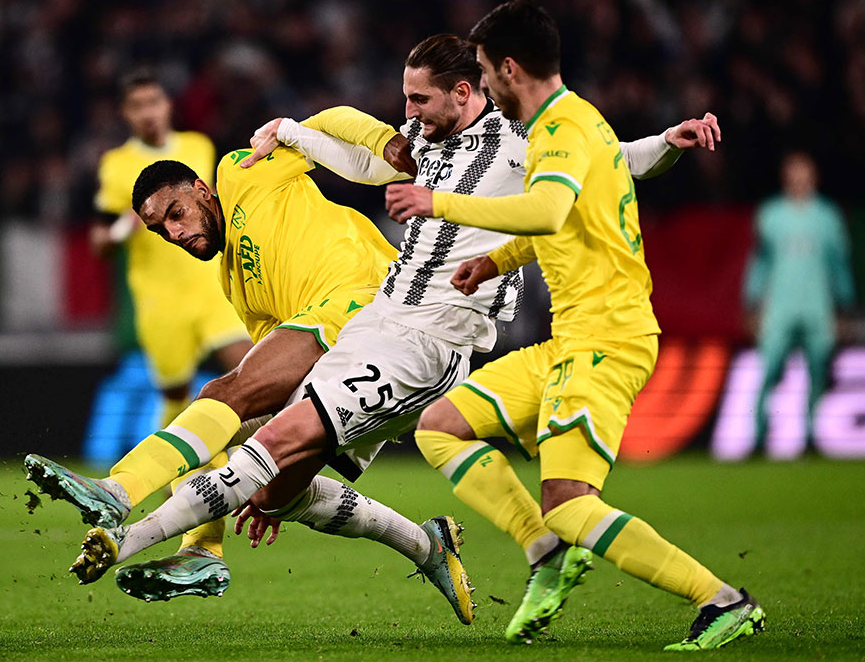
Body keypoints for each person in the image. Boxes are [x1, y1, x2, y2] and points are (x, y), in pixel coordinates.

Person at [64, 32, 714, 629]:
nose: (409, 113)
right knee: (269, 484)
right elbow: (343, 150)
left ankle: (122, 514)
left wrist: (665, 144)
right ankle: (430, 543)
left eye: (417, 98)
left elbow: (610, 164)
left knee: (241, 409)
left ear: (466, 91)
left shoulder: (518, 146)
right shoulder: (418, 153)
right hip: (381, 325)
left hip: (411, 330)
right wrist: (302, 129)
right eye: (404, 101)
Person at [383, 0, 763, 651]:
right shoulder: (573, 123)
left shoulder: (560, 132)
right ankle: (545, 548)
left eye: (484, 70)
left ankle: (723, 599)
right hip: (571, 338)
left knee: (571, 501)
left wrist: (435, 200)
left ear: (507, 68)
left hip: (606, 341)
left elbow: (550, 210)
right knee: (440, 427)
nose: (483, 85)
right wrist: (495, 261)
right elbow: (573, 215)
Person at [28, 136, 475, 621]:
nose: (174, 234)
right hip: (357, 361)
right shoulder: (235, 283)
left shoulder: (242, 171)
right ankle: (424, 544)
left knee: (222, 394)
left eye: (176, 213)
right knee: (267, 490)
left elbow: (323, 131)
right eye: (160, 230)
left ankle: (120, 493)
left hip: (374, 304)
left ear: (202, 190)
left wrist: (389, 146)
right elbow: (275, 373)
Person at [90, 68, 252, 587]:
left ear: (167, 105)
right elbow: (98, 237)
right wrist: (115, 234)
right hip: (158, 304)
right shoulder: (116, 166)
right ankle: (188, 483)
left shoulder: (199, 147)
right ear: (127, 114)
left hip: (211, 292)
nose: (149, 112)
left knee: (248, 374)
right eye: (138, 105)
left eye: (155, 101)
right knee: (179, 397)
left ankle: (262, 463)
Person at [743, 151, 855, 456]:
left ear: (813, 176)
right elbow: (760, 262)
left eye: (804, 171)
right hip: (779, 306)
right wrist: (751, 302)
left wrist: (845, 305)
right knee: (767, 371)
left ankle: (809, 435)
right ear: (785, 176)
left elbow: (838, 264)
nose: (798, 177)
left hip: (817, 306)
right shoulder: (770, 215)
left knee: (817, 372)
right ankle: (759, 437)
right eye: (793, 171)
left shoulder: (828, 217)